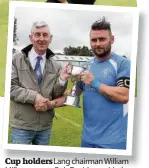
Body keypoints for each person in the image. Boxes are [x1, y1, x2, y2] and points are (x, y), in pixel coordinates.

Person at [44, 17, 130, 150]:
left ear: (112, 39)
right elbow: (72, 96)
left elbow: (124, 96)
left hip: (114, 141)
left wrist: (95, 83)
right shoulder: (85, 67)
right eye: (94, 40)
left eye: (102, 39)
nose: (97, 43)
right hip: (87, 141)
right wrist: (48, 104)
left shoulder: (122, 64)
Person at [10, 21, 71, 145]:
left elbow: (55, 94)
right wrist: (34, 97)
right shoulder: (16, 60)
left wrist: (62, 80)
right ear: (31, 37)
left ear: (50, 38)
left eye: (45, 35)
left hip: (44, 127)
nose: (41, 39)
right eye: (37, 35)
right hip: (22, 126)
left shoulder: (56, 65)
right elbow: (10, 88)